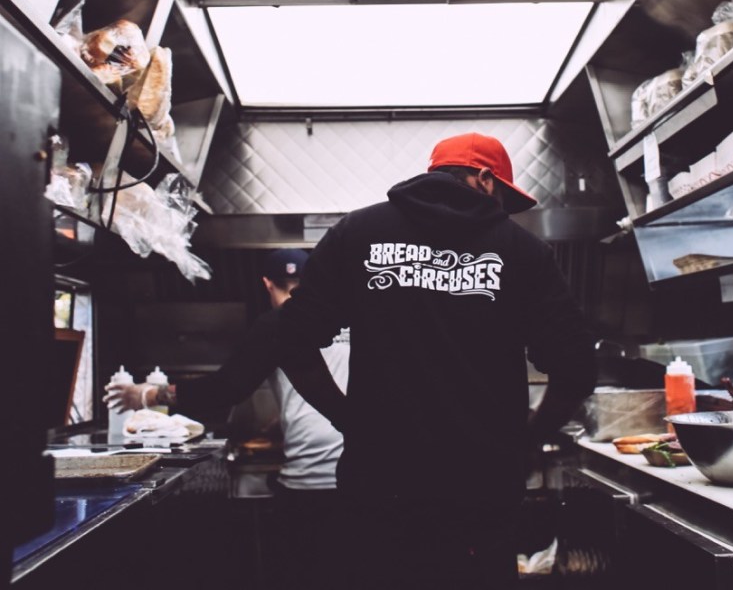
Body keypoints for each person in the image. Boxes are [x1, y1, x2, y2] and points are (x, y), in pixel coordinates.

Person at [107, 132, 597, 589]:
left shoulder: (358, 233)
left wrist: (348, 417)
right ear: (485, 179)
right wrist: (527, 437)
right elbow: (577, 368)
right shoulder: (523, 251)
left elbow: (291, 340)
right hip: (481, 494)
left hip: (379, 491)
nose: (503, 212)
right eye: (504, 199)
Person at [233, 247, 349, 590]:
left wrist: (153, 394)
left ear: (267, 284)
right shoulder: (342, 322)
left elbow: (231, 386)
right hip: (354, 480)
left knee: (301, 576)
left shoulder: (278, 327)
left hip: (305, 483)